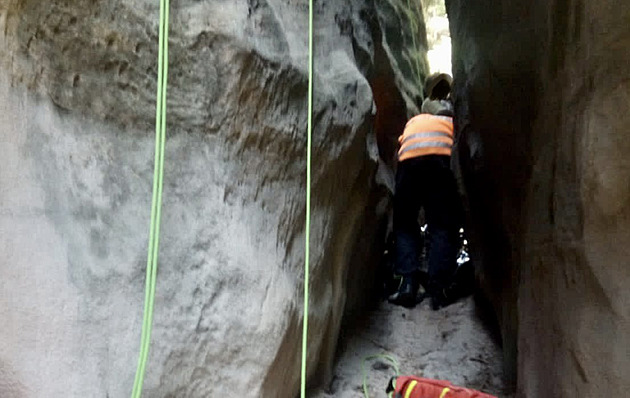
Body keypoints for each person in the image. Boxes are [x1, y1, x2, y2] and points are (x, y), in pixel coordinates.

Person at [388, 74, 463, 310]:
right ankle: (438, 289)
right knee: (441, 224)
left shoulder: (416, 119)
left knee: (405, 222)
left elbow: (400, 146)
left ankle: (407, 285)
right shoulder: (453, 116)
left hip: (409, 156)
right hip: (440, 155)